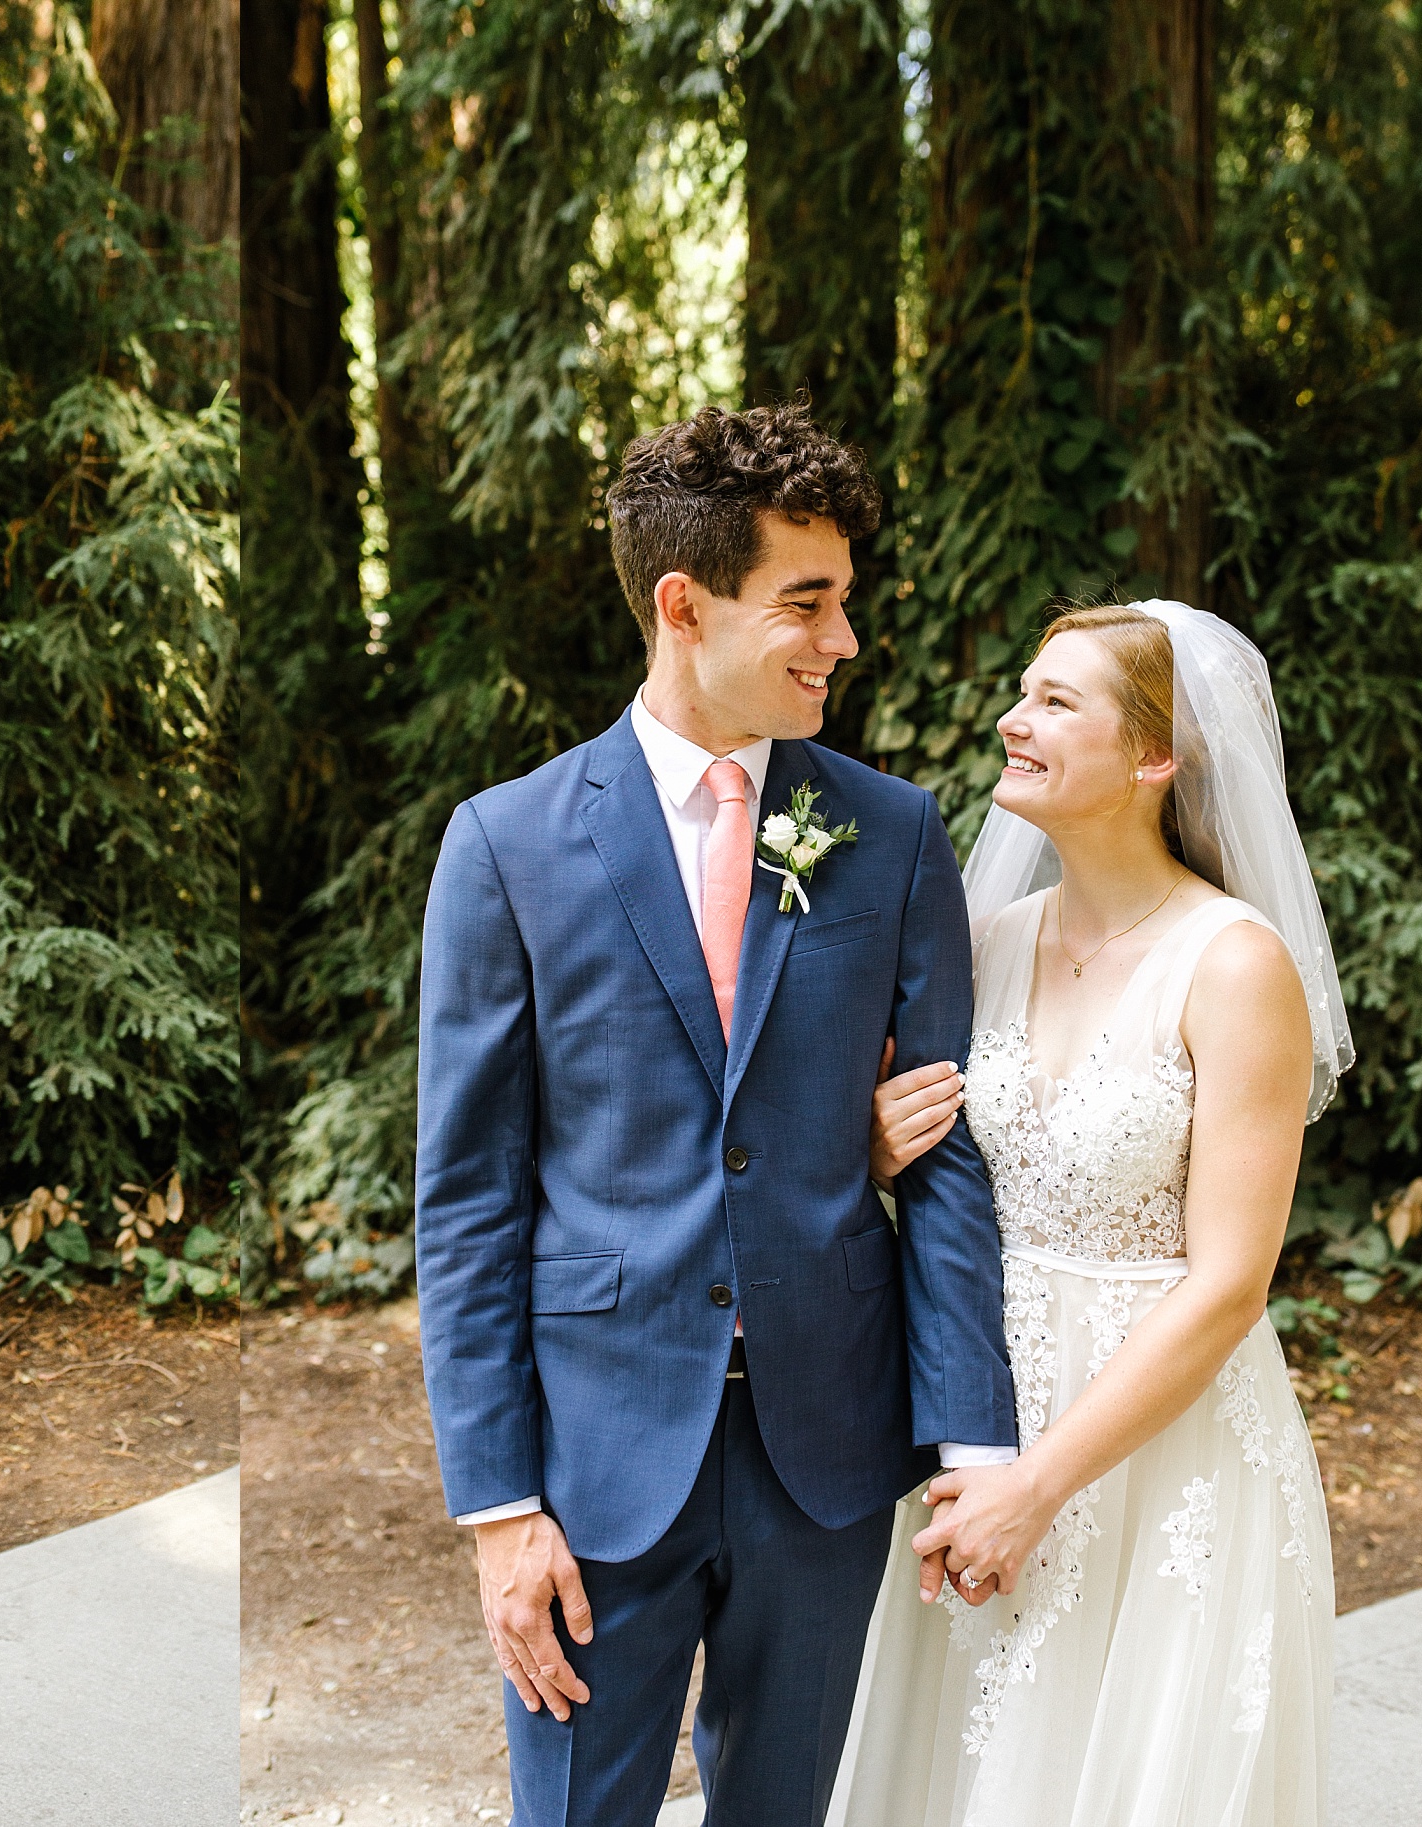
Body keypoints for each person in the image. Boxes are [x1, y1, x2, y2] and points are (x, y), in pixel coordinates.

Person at [414, 401, 1019, 1826]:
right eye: (806, 602)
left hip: (826, 1447)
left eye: (847, 601)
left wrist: (971, 1443)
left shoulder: (894, 832)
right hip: (593, 1454)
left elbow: (941, 1160)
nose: (843, 640)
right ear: (684, 604)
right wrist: (501, 1508)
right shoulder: (505, 844)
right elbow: (469, 1196)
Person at [829, 601, 1352, 1826]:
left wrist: (1041, 1485)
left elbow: (1229, 1281)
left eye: (1057, 702)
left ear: (1155, 758)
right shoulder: (988, 940)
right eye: (1023, 691)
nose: (1013, 720)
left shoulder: (1231, 964)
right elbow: (944, 1189)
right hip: (985, 1420)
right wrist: (870, 1152)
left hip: (1159, 1449)